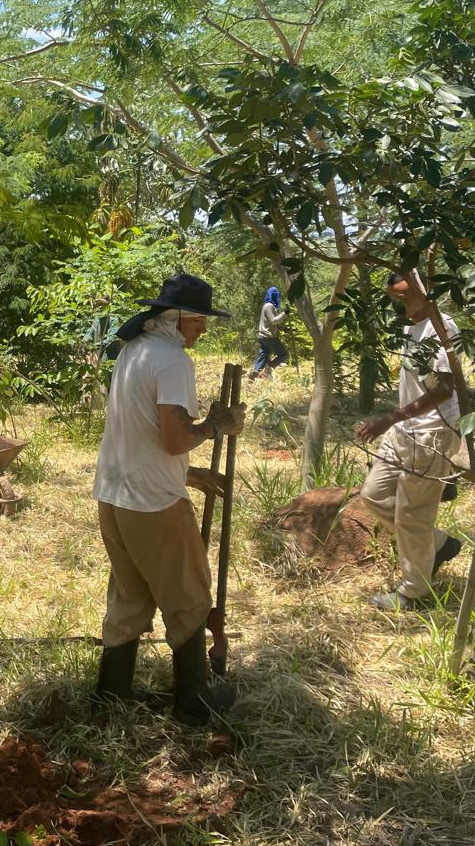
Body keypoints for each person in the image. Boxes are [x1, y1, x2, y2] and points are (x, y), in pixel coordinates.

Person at [92, 274, 246, 726]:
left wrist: (190, 472)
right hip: (153, 502)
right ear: (177, 318)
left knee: (129, 597)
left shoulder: (133, 351)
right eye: (200, 320)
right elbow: (176, 439)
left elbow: (138, 430)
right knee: (188, 596)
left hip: (114, 495)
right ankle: (194, 700)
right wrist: (220, 427)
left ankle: (111, 695)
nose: (202, 329)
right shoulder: (173, 361)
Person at [356, 272, 464, 611]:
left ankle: (414, 594)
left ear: (426, 292)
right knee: (372, 494)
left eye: (404, 297)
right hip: (406, 431)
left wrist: (391, 418)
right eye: (394, 296)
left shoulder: (443, 330)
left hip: (432, 432)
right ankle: (435, 543)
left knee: (412, 514)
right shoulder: (410, 327)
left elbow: (445, 388)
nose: (397, 303)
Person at [247, 286, 289, 381]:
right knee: (284, 354)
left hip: (263, 336)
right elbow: (273, 321)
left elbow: (272, 324)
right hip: (268, 337)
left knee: (263, 356)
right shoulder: (269, 306)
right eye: (277, 296)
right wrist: (284, 314)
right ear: (273, 296)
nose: (278, 298)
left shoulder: (269, 306)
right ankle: (268, 369)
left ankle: (254, 374)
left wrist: (284, 329)